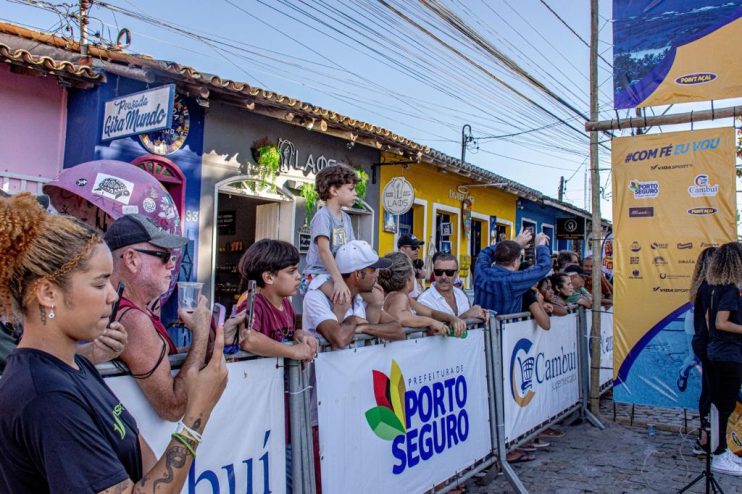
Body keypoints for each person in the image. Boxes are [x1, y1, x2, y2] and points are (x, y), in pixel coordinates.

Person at [0, 192, 228, 492]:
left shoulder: (77, 365)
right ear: (48, 293)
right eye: (99, 283)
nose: (112, 295)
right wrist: (197, 415)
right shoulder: (45, 395)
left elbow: (145, 467)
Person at [105, 214, 211, 421]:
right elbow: (172, 408)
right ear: (131, 259)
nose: (172, 265)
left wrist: (212, 341)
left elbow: (159, 358)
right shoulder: (133, 320)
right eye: (164, 256)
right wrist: (201, 333)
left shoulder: (134, 311)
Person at [302, 240, 404, 349]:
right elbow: (340, 340)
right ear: (357, 274)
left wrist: (365, 327)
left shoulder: (362, 296)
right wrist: (353, 320)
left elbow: (398, 330)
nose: (377, 274)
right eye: (373, 269)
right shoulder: (316, 297)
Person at [231, 239, 318, 361]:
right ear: (268, 277)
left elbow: (283, 335)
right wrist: (292, 351)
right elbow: (247, 339)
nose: (298, 276)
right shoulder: (253, 303)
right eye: (291, 271)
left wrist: (298, 335)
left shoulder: (286, 303)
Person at [704, 242, 742, 476]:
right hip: (727, 354)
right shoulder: (728, 289)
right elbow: (720, 322)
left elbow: (710, 320)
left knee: (722, 405)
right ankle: (719, 455)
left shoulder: (714, 288)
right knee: (724, 406)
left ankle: (722, 450)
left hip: (719, 351)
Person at [377, 252, 467, 336]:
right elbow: (400, 317)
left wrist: (451, 318)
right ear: (408, 279)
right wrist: (431, 322)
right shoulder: (398, 297)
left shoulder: (405, 298)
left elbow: (431, 313)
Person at [474, 229, 552, 315]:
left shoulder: (482, 272)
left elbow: (485, 252)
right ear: (515, 262)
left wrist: (515, 243)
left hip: (478, 327)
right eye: (519, 259)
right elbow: (545, 265)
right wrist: (540, 246)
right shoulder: (513, 280)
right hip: (505, 327)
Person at [687, 246, 717, 454]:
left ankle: (706, 436)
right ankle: (706, 437)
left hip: (705, 343)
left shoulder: (704, 287)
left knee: (709, 390)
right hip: (708, 343)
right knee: (710, 391)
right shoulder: (708, 288)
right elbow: (711, 321)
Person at [417, 251, 488, 322]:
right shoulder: (424, 301)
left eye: (449, 272)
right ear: (434, 273)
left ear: (456, 274)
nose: (443, 277)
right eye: (438, 272)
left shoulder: (461, 294)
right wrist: (466, 315)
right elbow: (436, 331)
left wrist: (480, 314)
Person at [397, 233, 426, 299]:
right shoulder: (400, 267)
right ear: (403, 249)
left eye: (418, 247)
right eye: (413, 247)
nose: (417, 250)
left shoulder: (410, 265)